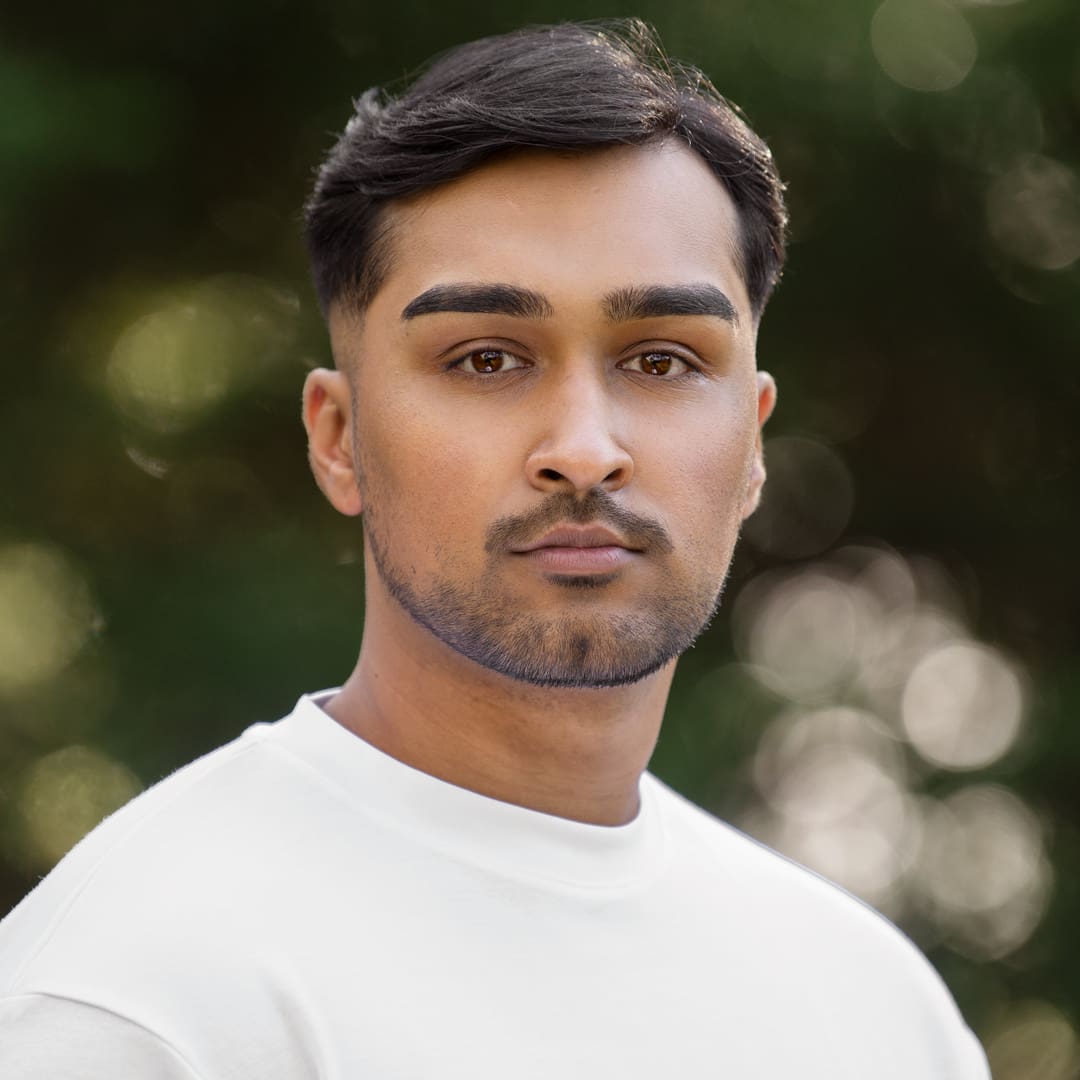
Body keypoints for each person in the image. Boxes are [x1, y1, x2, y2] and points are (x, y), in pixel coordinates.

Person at [0, 20, 989, 1078]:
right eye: (484, 359)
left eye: (660, 360)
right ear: (339, 440)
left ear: (752, 441)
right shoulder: (135, 1002)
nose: (583, 451)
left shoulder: (877, 1016)